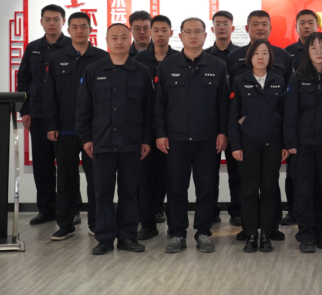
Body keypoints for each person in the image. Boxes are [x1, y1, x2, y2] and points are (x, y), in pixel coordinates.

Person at [75, 23, 153, 255]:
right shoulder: (93, 70)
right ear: (106, 41)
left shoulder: (141, 71)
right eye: (114, 37)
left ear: (130, 40)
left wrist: (146, 140)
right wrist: (86, 138)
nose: (119, 42)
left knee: (130, 191)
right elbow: (83, 108)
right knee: (103, 192)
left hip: (132, 142)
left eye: (123, 37)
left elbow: (149, 110)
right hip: (102, 141)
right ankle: (105, 238)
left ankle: (127, 236)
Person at [155, 18, 229, 254]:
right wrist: (160, 134)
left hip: (207, 139)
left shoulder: (218, 66)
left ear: (206, 36)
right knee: (176, 189)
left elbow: (223, 105)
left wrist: (222, 132)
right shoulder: (167, 66)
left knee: (206, 188)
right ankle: (177, 233)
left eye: (198, 31)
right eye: (188, 32)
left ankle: (203, 232)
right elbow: (159, 105)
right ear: (180, 36)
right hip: (175, 139)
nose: (193, 36)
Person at [226, 10, 292, 241]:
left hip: (272, 143)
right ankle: (250, 230)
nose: (260, 57)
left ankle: (270, 229)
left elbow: (285, 113)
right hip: (248, 142)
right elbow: (233, 114)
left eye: (264, 53)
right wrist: (236, 143)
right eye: (256, 54)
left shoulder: (280, 73)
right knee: (248, 189)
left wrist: (285, 143)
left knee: (270, 187)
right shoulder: (237, 73)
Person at [44, 12, 107, 240]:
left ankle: (96, 223)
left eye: (83, 26)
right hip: (65, 129)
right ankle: (66, 224)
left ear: (90, 29)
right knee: (66, 179)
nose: (79, 31)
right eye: (75, 27)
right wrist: (51, 124)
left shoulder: (102, 57)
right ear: (68, 30)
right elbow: (49, 94)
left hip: (94, 130)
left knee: (96, 179)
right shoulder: (56, 58)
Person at [285, 32, 322, 253]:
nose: (319, 51)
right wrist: (290, 142)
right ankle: (306, 234)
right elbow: (290, 113)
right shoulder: (297, 77)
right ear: (307, 52)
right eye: (313, 48)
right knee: (304, 191)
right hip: (303, 144)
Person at [17, 4, 72, 226]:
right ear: (41, 22)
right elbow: (23, 80)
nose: (51, 23)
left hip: (65, 115)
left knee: (67, 165)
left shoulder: (72, 46)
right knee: (42, 164)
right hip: (38, 114)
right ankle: (47, 209)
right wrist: (25, 110)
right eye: (47, 19)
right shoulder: (33, 48)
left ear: (63, 22)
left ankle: (70, 209)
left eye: (56, 19)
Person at [134, 15, 179, 240]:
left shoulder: (179, 59)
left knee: (173, 179)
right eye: (156, 30)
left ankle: (174, 226)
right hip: (147, 128)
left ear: (171, 32)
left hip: (173, 129)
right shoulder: (139, 60)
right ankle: (148, 225)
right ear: (150, 33)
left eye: (164, 30)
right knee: (146, 180)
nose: (160, 34)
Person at [281, 9, 320, 226]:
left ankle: (316, 215)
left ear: (317, 26)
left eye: (310, 22)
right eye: (302, 23)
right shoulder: (287, 54)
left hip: (320, 127)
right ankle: (292, 211)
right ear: (296, 27)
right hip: (296, 123)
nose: (306, 26)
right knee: (293, 174)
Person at [204, 10, 240, 226]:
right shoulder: (205, 56)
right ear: (212, 28)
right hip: (212, 122)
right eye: (218, 23)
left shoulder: (242, 55)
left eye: (225, 23)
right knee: (210, 172)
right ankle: (212, 211)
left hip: (236, 121)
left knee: (236, 171)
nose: (222, 27)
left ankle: (237, 211)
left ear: (232, 28)